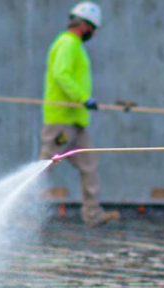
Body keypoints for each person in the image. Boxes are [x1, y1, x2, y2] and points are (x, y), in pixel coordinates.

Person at [40, 1, 120, 227]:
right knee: (45, 166)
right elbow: (61, 75)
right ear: (84, 25)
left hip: (76, 121)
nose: (93, 33)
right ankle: (20, 211)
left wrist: (83, 103)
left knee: (89, 167)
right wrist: (83, 98)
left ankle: (92, 215)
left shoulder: (75, 45)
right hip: (61, 121)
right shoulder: (67, 43)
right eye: (93, 28)